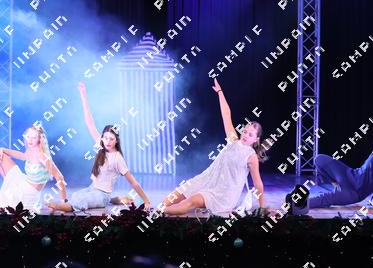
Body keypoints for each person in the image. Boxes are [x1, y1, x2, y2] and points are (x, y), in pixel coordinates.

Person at [162, 78, 268, 216]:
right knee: (174, 196)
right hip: (207, 179)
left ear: (256, 139)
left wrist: (262, 207)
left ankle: (157, 212)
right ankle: (160, 208)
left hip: (223, 194)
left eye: (250, 134)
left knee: (191, 202)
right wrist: (220, 92)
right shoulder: (233, 140)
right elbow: (226, 115)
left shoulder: (251, 156)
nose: (246, 135)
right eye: (245, 131)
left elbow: (258, 183)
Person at [45, 82, 151, 213]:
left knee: (80, 202)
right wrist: (83, 96)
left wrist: (146, 201)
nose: (107, 141)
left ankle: (58, 206)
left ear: (116, 141)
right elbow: (89, 123)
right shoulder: (101, 147)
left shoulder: (117, 158)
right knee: (76, 196)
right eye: (105, 138)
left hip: (102, 195)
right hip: (92, 188)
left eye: (111, 139)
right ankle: (115, 199)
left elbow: (133, 182)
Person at [308, 80, 373, 211]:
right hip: (350, 175)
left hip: (356, 193)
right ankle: (335, 185)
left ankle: (302, 203)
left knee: (321, 200)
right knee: (319, 159)